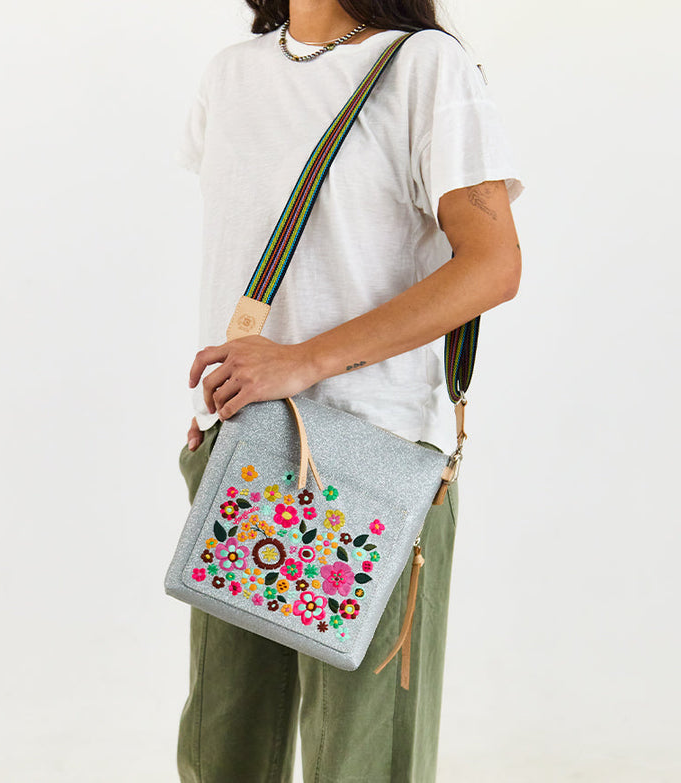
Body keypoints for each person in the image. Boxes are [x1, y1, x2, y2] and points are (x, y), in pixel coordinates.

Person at [174, 1, 524, 781]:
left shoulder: (425, 66)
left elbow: (493, 263)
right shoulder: (230, 76)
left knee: (363, 761)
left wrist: (303, 361)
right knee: (222, 752)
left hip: (372, 463)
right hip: (243, 451)